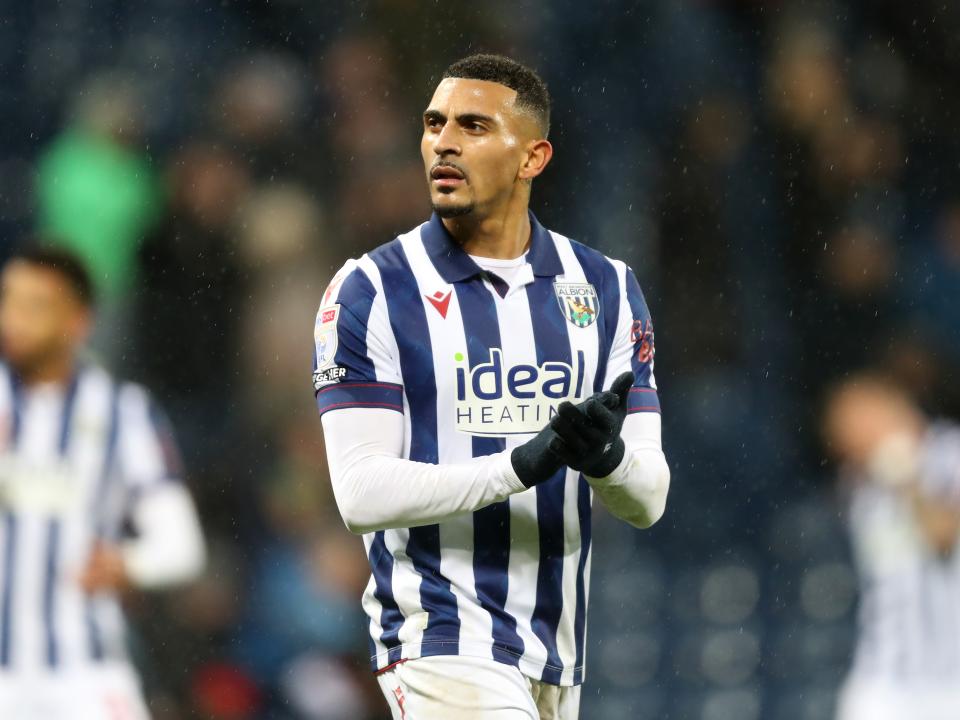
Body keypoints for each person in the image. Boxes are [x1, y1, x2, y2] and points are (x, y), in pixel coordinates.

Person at [313, 54, 670, 719]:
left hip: (558, 651)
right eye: (433, 123)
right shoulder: (372, 291)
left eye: (474, 126)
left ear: (533, 158)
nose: (443, 141)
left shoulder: (607, 290)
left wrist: (605, 458)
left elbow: (647, 498)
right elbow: (360, 493)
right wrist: (515, 466)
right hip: (440, 638)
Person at [0, 245, 206, 719]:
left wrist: (129, 564)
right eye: (9, 300)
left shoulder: (123, 412)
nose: (14, 319)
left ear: (77, 322)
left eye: (35, 306)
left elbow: (181, 546)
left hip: (84, 672)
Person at [823, 373, 960, 720]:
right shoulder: (861, 484)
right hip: (883, 680)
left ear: (891, 402)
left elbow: (943, 536)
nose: (855, 440)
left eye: (859, 422)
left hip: (951, 682)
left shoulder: (951, 451)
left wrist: (907, 475)